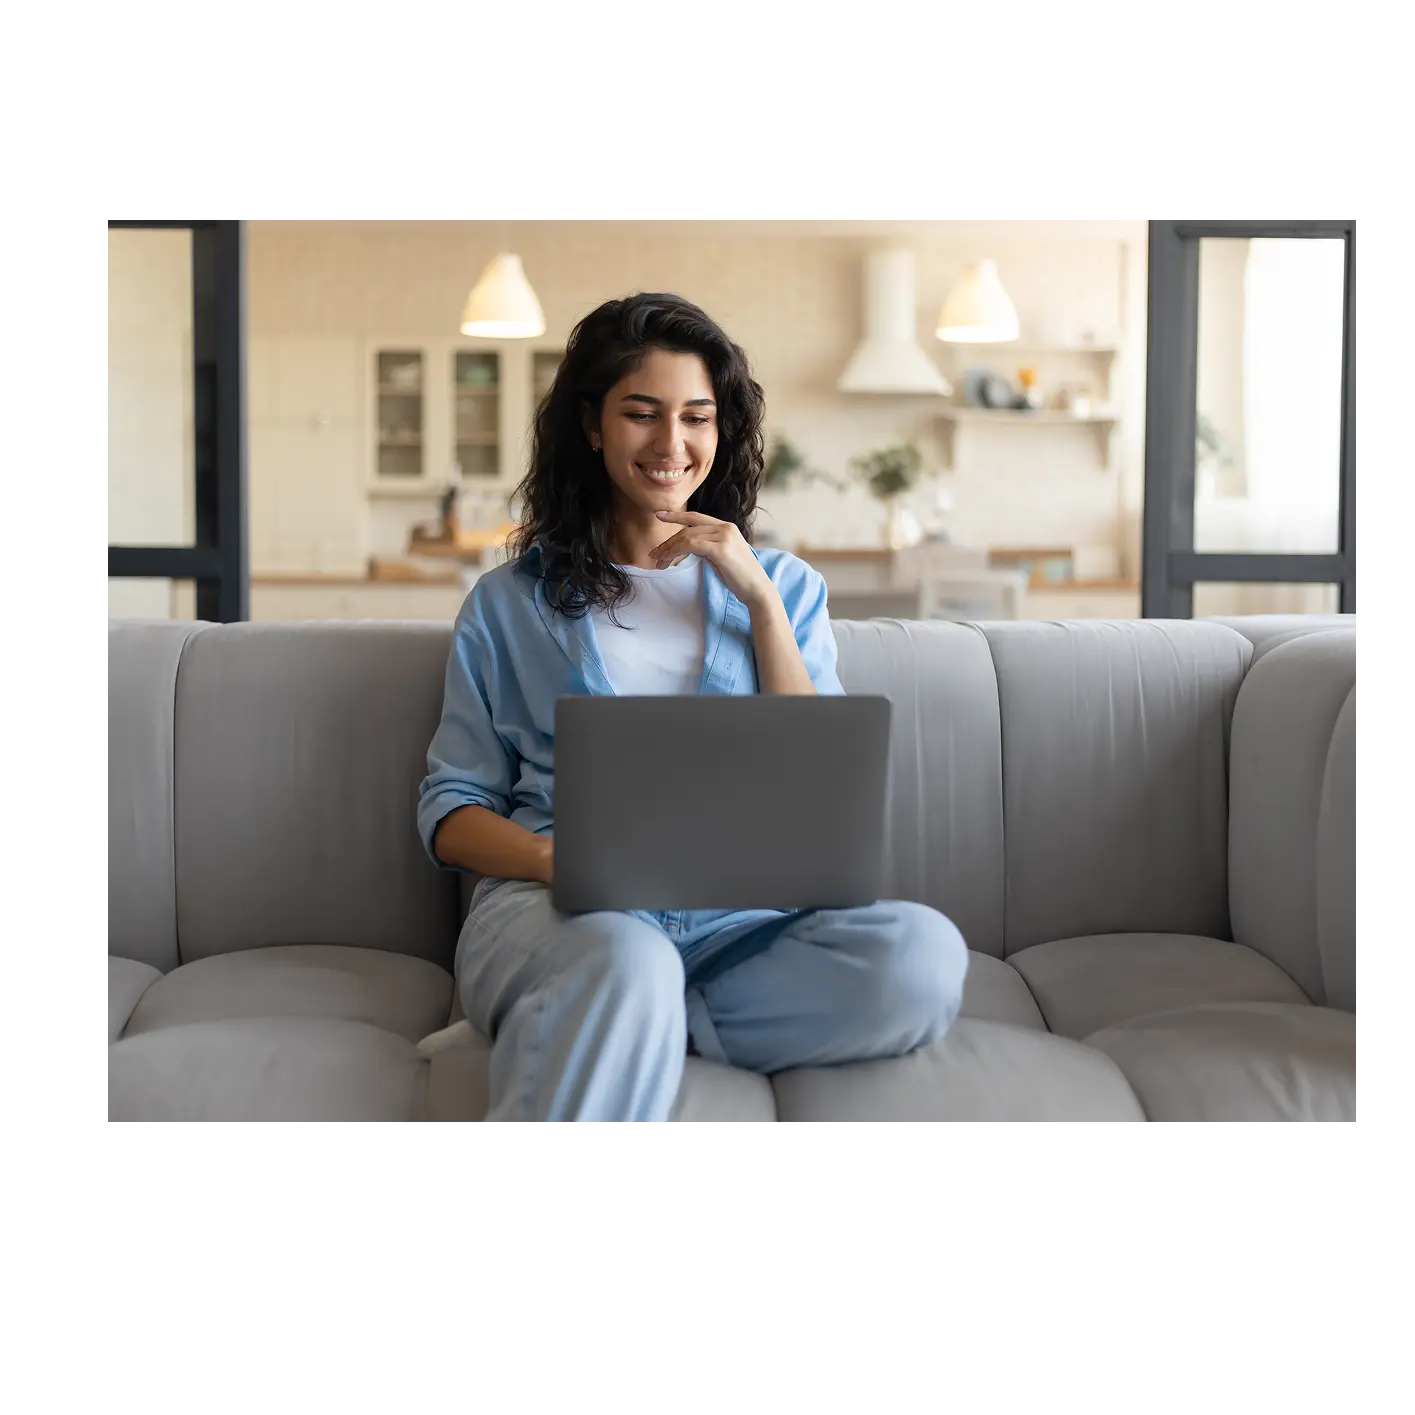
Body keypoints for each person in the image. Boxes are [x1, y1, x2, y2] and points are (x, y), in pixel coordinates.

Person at [417, 292, 969, 1127]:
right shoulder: (507, 604)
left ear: (722, 431)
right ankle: (609, 999)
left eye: (696, 418)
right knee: (623, 959)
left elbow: (811, 787)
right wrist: (550, 860)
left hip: (734, 925)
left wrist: (759, 604)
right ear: (592, 426)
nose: (671, 444)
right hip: (561, 911)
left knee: (920, 957)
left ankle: (621, 1021)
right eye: (641, 414)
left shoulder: (784, 588)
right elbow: (450, 810)